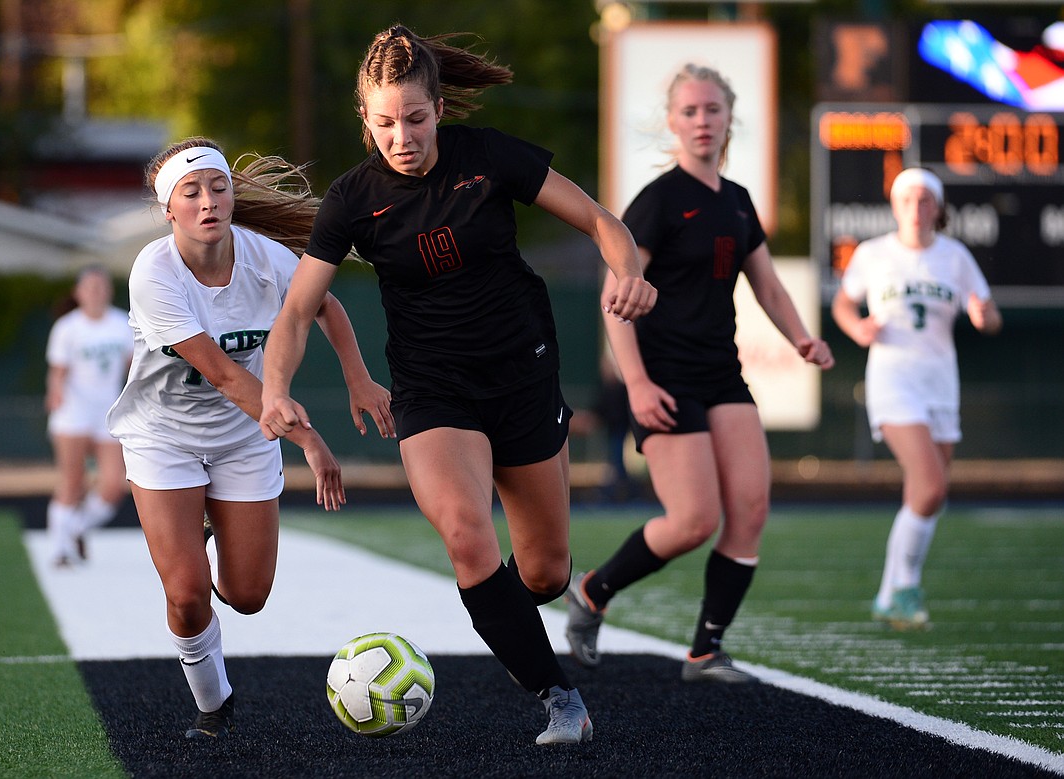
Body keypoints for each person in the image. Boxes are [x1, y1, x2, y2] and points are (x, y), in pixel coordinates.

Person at [259, 25, 656, 745]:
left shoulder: (490, 157)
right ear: (365, 122)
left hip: (523, 376)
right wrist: (276, 386)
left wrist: (628, 272)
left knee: (542, 575)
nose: (401, 136)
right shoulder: (353, 199)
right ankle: (558, 695)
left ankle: (510, 610)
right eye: (384, 123)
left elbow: (601, 221)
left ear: (440, 109)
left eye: (414, 118)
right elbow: (296, 307)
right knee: (468, 539)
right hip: (433, 389)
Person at [106, 137, 392, 740]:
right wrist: (310, 440)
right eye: (192, 192)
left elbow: (327, 307)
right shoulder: (153, 272)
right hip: (165, 438)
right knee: (186, 593)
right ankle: (214, 706)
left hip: (243, 438)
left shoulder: (266, 257)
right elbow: (224, 374)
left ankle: (201, 531)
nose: (209, 201)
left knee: (248, 595)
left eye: (218, 187)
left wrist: (358, 377)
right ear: (169, 209)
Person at [565, 63, 834, 683]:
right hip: (663, 377)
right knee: (692, 521)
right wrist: (635, 383)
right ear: (672, 122)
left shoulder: (737, 201)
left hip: (722, 374)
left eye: (712, 109)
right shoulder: (660, 200)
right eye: (689, 111)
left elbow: (765, 283)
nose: (702, 121)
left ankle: (706, 651)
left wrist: (802, 339)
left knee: (751, 507)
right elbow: (616, 293)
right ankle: (593, 591)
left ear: (728, 117)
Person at [831, 167, 1002, 630]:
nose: (916, 207)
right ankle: (905, 588)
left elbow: (989, 316)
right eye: (907, 199)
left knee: (928, 495)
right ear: (894, 205)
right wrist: (856, 328)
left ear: (938, 208)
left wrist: (984, 316)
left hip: (940, 382)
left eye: (925, 199)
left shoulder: (955, 256)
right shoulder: (873, 254)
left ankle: (887, 596)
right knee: (929, 487)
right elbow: (843, 304)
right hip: (893, 379)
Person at [44, 265, 133, 566]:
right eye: (90, 287)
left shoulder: (122, 324)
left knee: (113, 484)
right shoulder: (67, 328)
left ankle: (76, 529)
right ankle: (60, 549)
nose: (96, 293)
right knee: (72, 482)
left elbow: (135, 368)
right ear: (79, 293)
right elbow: (57, 372)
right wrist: (55, 392)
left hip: (108, 412)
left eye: (101, 287)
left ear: (109, 291)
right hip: (73, 413)